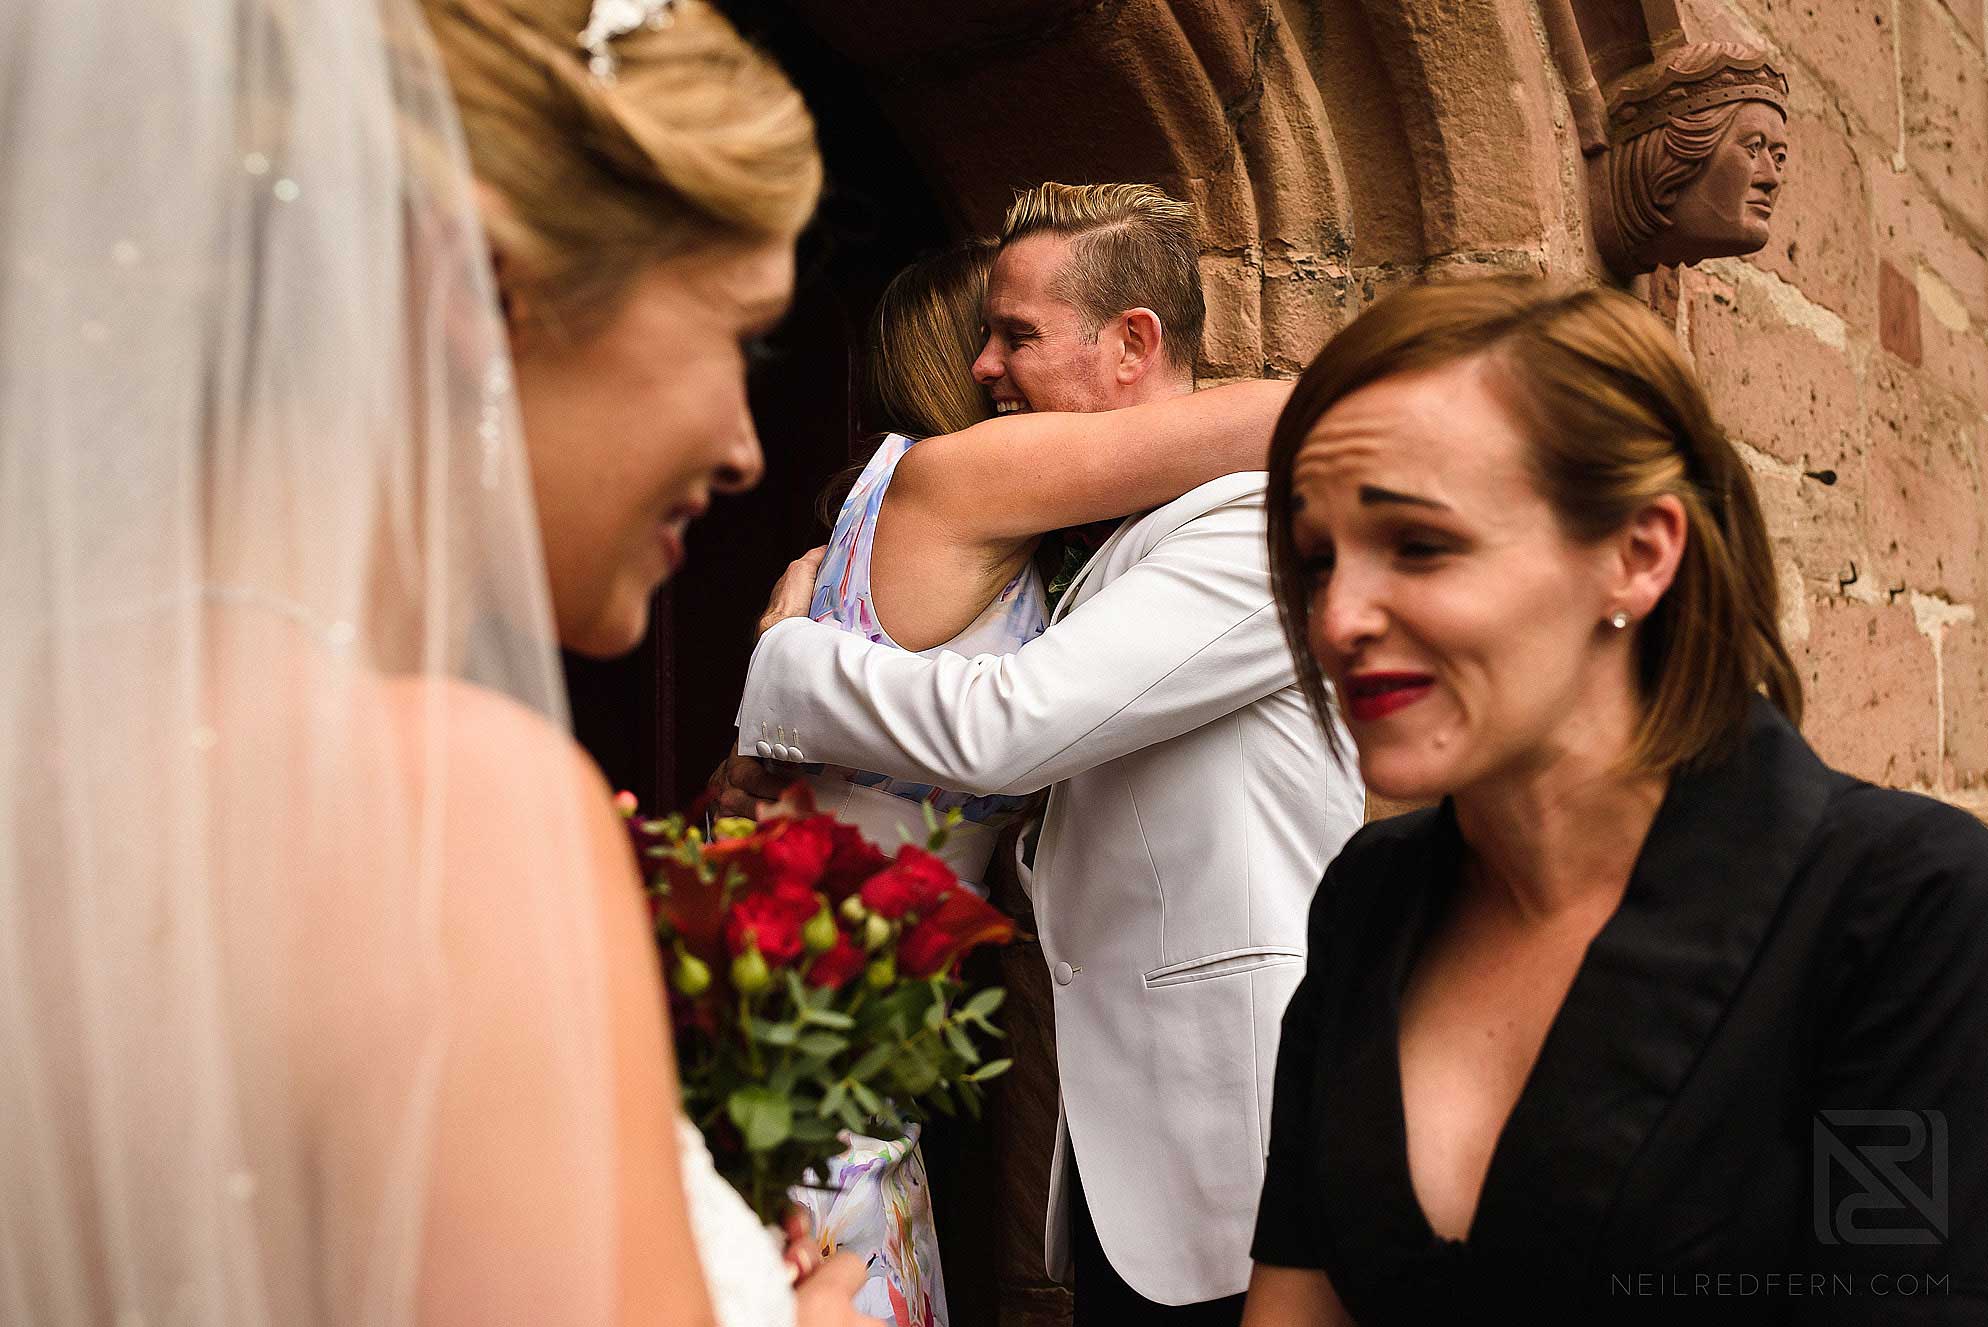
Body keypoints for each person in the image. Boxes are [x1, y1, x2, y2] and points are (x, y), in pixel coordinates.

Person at [0, 0, 873, 1324]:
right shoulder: (446, 814)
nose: (746, 444)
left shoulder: (45, 752)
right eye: (741, 338)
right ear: (477, 284)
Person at [1242, 276, 1988, 1323]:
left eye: (1417, 544)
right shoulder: (1367, 896)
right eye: (1315, 560)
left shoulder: (1903, 904)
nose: (1336, 618)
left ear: (1637, 556)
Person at [726, 182, 1366, 1324]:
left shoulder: (1249, 530)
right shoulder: (1071, 536)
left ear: (1133, 343)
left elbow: (1013, 728)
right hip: (1127, 1151)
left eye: (1015, 334)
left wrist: (786, 658)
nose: (985, 366)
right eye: (979, 334)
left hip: (1240, 1145)